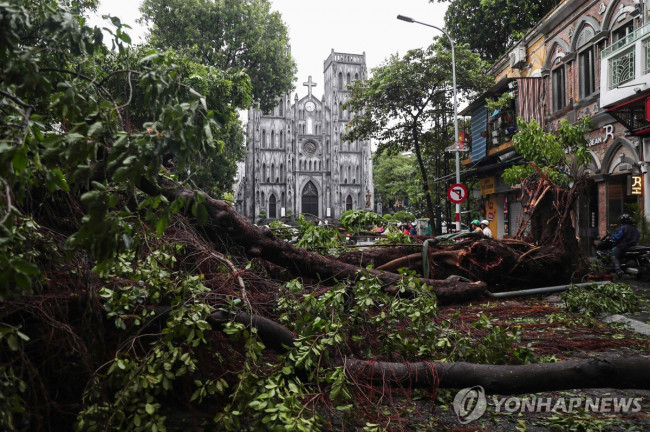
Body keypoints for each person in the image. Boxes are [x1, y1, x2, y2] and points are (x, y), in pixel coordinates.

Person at [610, 213, 640, 280]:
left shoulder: (623, 228)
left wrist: (611, 238)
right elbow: (638, 236)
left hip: (623, 246)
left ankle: (618, 270)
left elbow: (617, 237)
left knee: (613, 255)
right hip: (633, 247)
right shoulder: (634, 228)